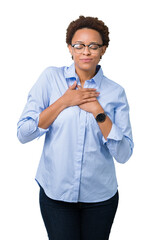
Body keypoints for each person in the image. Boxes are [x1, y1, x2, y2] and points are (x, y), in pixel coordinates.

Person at [17, 15, 134, 240]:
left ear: (104, 49)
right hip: (56, 195)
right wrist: (63, 102)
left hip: (100, 198)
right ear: (70, 48)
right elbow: (23, 133)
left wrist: (99, 113)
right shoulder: (50, 78)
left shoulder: (115, 92)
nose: (86, 52)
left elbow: (124, 154)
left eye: (93, 46)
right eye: (79, 45)